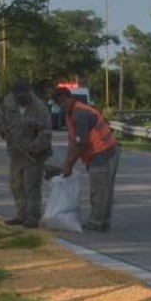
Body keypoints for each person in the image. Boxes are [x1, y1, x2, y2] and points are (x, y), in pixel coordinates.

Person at [52, 85, 119, 232]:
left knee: (99, 190)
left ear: (68, 98)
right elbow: (73, 142)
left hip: (103, 152)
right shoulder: (71, 113)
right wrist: (67, 163)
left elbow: (80, 145)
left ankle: (96, 223)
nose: (62, 106)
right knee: (103, 189)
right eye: (59, 104)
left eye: (62, 103)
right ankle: (103, 222)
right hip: (105, 150)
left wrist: (69, 166)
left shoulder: (79, 114)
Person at [0, 80, 53, 227]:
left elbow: (45, 133)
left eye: (24, 96)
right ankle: (21, 215)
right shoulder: (8, 103)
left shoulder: (39, 108)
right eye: (18, 97)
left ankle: (32, 217)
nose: (21, 99)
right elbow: (0, 116)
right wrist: (2, 130)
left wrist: (33, 147)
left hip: (33, 156)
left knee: (31, 187)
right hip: (15, 153)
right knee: (16, 185)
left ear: (29, 93)